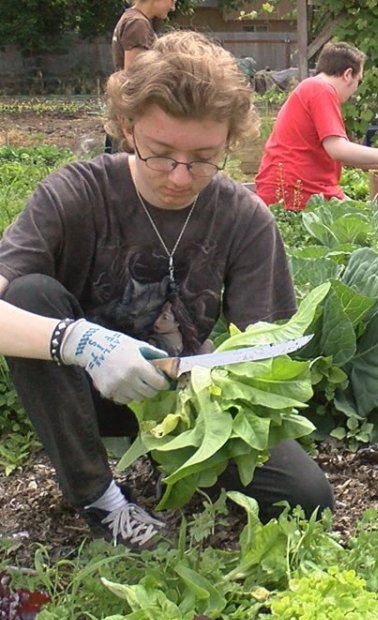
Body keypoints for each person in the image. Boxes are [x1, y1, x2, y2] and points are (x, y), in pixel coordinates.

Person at [0, 31, 333, 550]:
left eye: (202, 158)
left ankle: (173, 461)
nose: (180, 177)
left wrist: (215, 400)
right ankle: (100, 498)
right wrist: (82, 342)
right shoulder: (74, 194)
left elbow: (264, 353)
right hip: (82, 388)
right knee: (29, 294)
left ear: (229, 141)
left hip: (185, 391)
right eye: (160, 154)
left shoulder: (245, 219)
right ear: (129, 129)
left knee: (307, 498)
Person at [254, 42, 378, 210]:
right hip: (294, 194)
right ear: (347, 74)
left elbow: (342, 156)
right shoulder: (321, 90)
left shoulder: (311, 87)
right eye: (358, 81)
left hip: (290, 190)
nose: (355, 90)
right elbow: (338, 150)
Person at [107, 0, 175, 153]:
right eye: (172, 0)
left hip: (122, 106)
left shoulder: (130, 18)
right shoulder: (137, 24)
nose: (173, 7)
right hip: (131, 110)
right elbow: (136, 76)